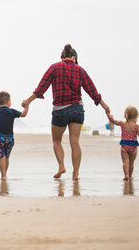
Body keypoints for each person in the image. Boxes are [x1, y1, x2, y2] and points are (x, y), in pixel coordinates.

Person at [22, 44, 110, 180]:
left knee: (56, 141)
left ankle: (61, 166)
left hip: (60, 111)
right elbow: (91, 90)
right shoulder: (80, 70)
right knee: (75, 142)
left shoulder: (54, 67)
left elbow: (41, 88)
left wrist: (28, 101)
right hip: (77, 109)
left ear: (62, 56)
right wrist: (104, 105)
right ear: (74, 57)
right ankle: (75, 174)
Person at [107, 106, 139, 180]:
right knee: (131, 163)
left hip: (124, 145)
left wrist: (108, 114)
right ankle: (130, 176)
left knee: (125, 162)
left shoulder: (122, 124)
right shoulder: (137, 127)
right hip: (133, 147)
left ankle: (126, 175)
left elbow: (113, 121)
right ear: (134, 117)